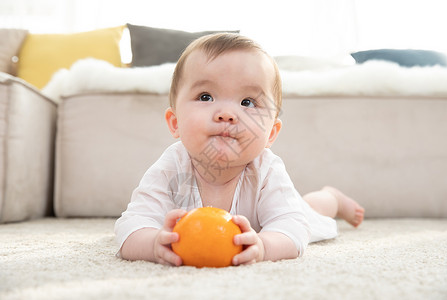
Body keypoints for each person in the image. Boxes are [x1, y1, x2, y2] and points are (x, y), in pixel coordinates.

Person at [115, 33, 364, 266]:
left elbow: (292, 226)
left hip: (291, 211)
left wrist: (264, 245)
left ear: (271, 134)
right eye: (205, 97)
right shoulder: (171, 167)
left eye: (247, 102)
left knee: (311, 210)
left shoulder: (266, 169)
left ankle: (332, 198)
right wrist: (152, 243)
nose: (226, 114)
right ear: (175, 122)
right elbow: (132, 224)